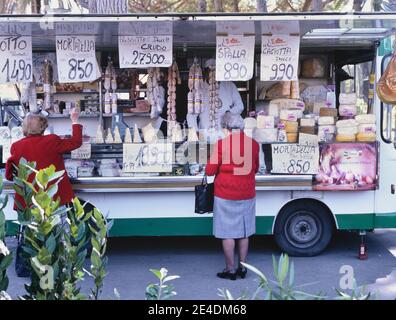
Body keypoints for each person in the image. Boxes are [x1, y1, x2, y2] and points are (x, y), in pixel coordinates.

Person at [205, 112, 260, 280]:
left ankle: (230, 270)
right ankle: (243, 268)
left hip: (225, 193)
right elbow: (256, 168)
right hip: (246, 192)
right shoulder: (254, 144)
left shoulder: (222, 144)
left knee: (227, 232)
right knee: (244, 232)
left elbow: (210, 170)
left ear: (227, 128)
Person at [6, 108, 83, 208]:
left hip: (29, 200)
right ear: (43, 127)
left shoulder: (16, 146)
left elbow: (9, 175)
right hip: (53, 198)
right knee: (58, 223)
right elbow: (75, 142)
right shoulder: (52, 140)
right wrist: (74, 120)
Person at [187, 59, 244, 141]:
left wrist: (229, 113)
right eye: (210, 71)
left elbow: (240, 106)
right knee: (206, 153)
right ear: (205, 72)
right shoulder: (199, 88)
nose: (213, 74)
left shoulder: (230, 86)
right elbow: (191, 114)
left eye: (216, 71)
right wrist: (195, 132)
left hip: (225, 133)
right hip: (205, 132)